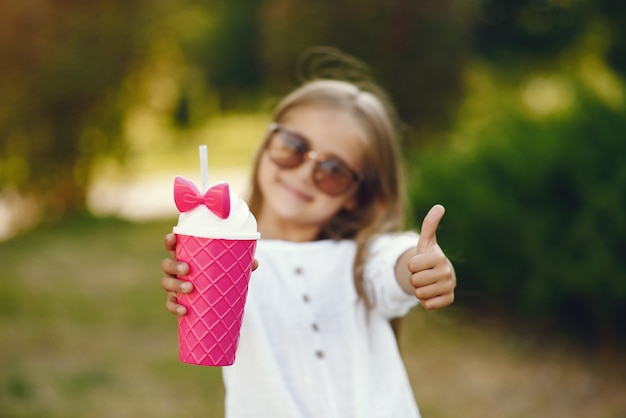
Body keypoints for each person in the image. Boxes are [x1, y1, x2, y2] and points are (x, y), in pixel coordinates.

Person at [161, 74, 456, 417]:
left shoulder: (359, 257)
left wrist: (418, 266)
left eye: (333, 170)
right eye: (293, 147)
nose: (303, 173)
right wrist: (189, 285)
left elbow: (394, 263)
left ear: (355, 196)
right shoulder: (236, 268)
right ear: (268, 143)